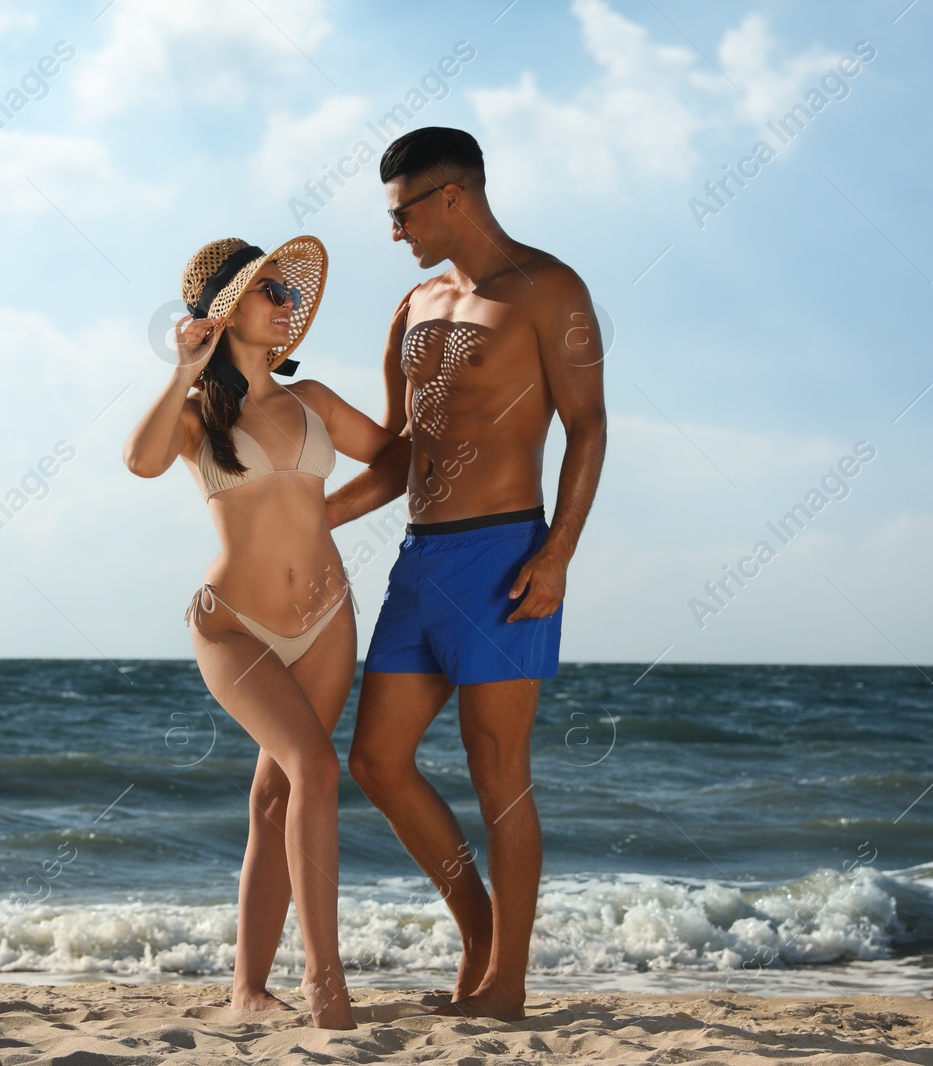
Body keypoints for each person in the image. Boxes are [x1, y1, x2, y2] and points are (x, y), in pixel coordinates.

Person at [326, 127, 608, 1021]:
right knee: (375, 759)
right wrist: (306, 519)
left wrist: (558, 552)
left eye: (401, 211)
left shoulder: (548, 288)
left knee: (499, 771)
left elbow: (589, 426)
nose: (395, 230)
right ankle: (480, 932)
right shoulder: (412, 307)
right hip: (421, 559)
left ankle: (506, 987)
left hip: (505, 554)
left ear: (453, 196)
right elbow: (396, 458)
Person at [124, 235, 399, 1030]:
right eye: (269, 292)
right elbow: (140, 463)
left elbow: (396, 460)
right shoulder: (195, 413)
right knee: (313, 766)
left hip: (326, 618)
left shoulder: (312, 400)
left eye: (286, 293)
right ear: (223, 309)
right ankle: (325, 981)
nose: (285, 305)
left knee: (276, 795)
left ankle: (248, 987)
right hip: (233, 625)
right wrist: (180, 368)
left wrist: (330, 513)